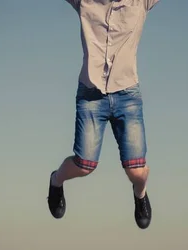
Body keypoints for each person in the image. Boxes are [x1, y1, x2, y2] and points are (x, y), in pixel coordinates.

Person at [48, 0, 160, 229]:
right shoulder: (86, 2)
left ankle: (140, 195)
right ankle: (56, 180)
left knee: (137, 172)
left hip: (127, 95)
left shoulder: (140, 2)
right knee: (84, 165)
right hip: (91, 96)